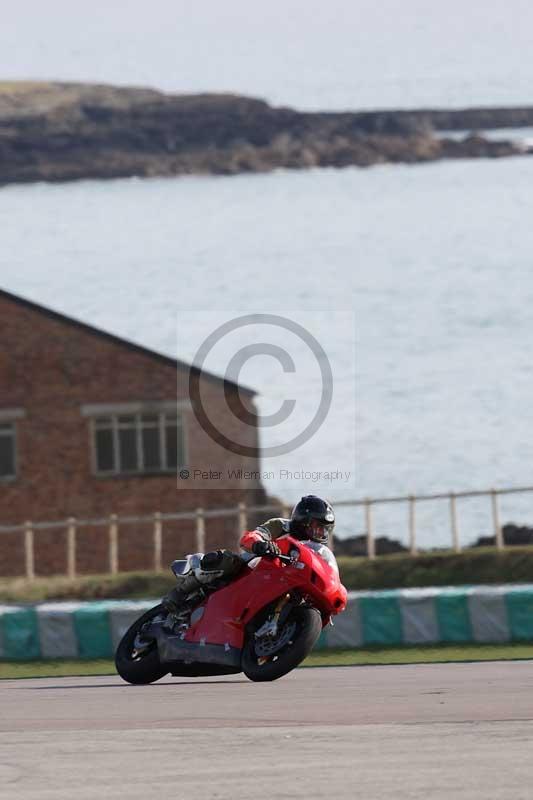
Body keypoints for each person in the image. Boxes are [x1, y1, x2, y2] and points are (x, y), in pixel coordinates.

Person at [162, 495, 335, 618]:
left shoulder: (317, 549)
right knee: (229, 560)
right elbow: (251, 536)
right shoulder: (281, 526)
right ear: (302, 519)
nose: (320, 532)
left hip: (283, 581)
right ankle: (179, 593)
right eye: (316, 526)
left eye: (324, 529)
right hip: (255, 567)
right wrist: (261, 544)